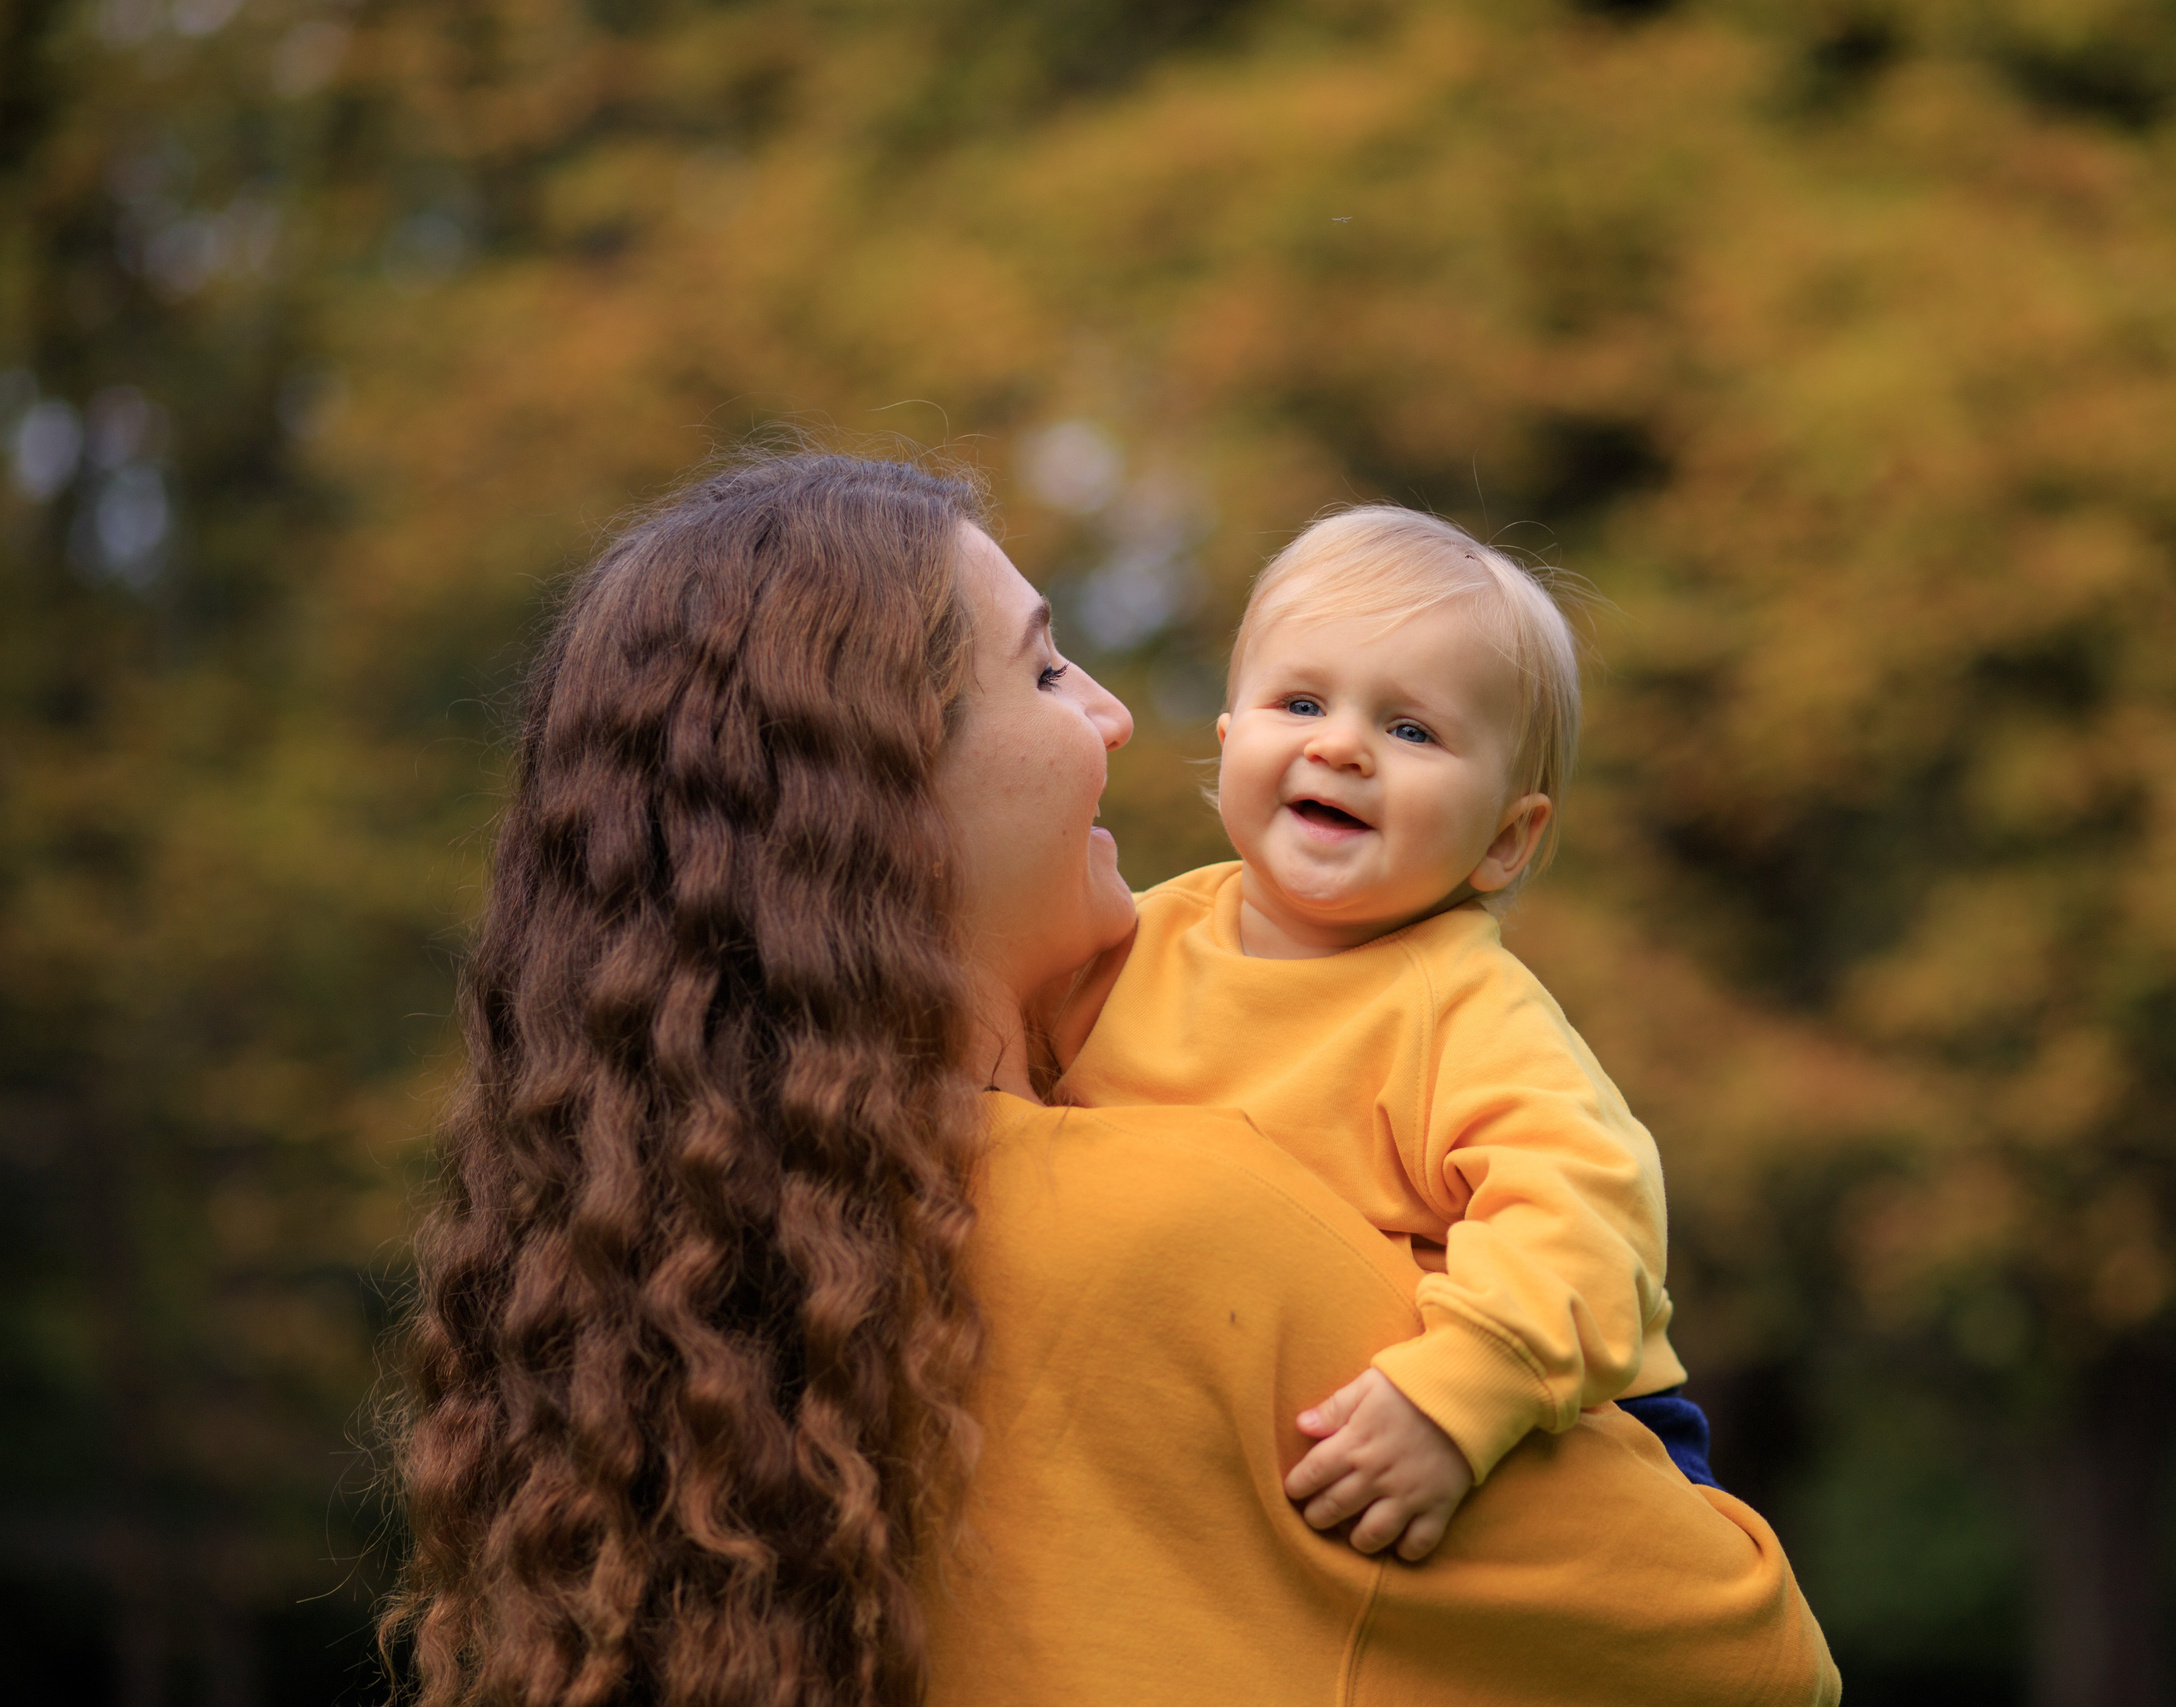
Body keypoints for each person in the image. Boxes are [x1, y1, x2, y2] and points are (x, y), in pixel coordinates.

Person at [384, 452, 1838, 1707]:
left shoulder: (749, 1275)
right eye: (1043, 666)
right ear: (892, 790)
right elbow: (1758, 1655)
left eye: (1409, 728)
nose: (1114, 713)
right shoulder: (1190, 1221)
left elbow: (1577, 1188)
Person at [1052, 508, 1716, 1567]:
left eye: (1410, 731)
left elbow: (1588, 1223)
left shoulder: (1462, 1008)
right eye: (1300, 701)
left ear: (1505, 838)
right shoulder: (1133, 943)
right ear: (1228, 746)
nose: (1340, 745)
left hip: (1533, 1403)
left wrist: (1454, 1395)